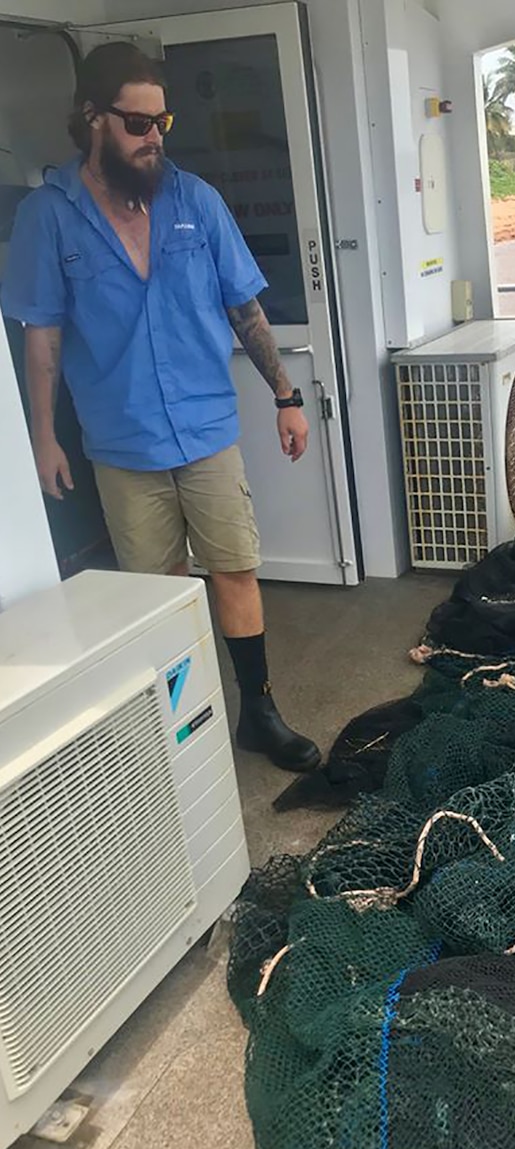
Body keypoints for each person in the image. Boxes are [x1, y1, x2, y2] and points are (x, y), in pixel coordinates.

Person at [1, 42, 321, 774]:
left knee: (236, 568)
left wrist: (287, 396)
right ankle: (185, 727)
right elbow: (41, 342)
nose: (155, 137)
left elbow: (247, 310)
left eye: (162, 122)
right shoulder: (49, 219)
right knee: (160, 594)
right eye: (138, 123)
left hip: (207, 430)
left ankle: (259, 715)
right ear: (92, 118)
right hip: (122, 443)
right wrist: (43, 438)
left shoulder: (195, 201)